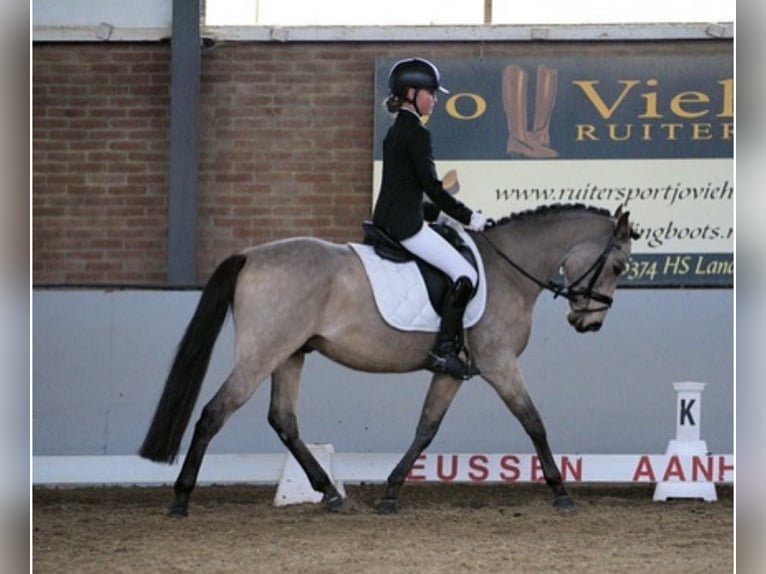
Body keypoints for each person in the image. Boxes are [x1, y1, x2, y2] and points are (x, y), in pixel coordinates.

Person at [372, 57, 490, 380]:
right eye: (431, 93)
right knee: (465, 275)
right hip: (405, 227)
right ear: (411, 93)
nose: (435, 100)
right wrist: (470, 218)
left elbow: (403, 186)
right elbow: (433, 187)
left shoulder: (397, 130)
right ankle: (445, 351)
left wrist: (436, 215)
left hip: (389, 216)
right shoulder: (416, 134)